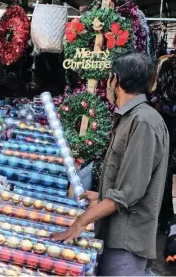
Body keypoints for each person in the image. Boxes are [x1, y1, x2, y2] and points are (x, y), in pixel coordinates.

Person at [51, 53, 170, 276]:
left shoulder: (143, 122)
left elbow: (129, 192)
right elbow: (130, 177)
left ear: (115, 80)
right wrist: (101, 195)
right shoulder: (131, 116)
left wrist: (81, 222)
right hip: (114, 234)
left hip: (126, 241)